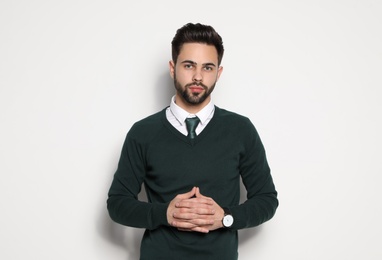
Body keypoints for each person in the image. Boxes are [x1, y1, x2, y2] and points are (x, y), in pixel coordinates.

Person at [107, 22, 278, 260]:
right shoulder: (142, 132)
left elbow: (267, 199)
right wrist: (165, 214)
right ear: (172, 68)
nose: (198, 76)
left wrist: (226, 217)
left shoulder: (241, 130)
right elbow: (117, 204)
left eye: (207, 68)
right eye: (189, 65)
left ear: (218, 72)